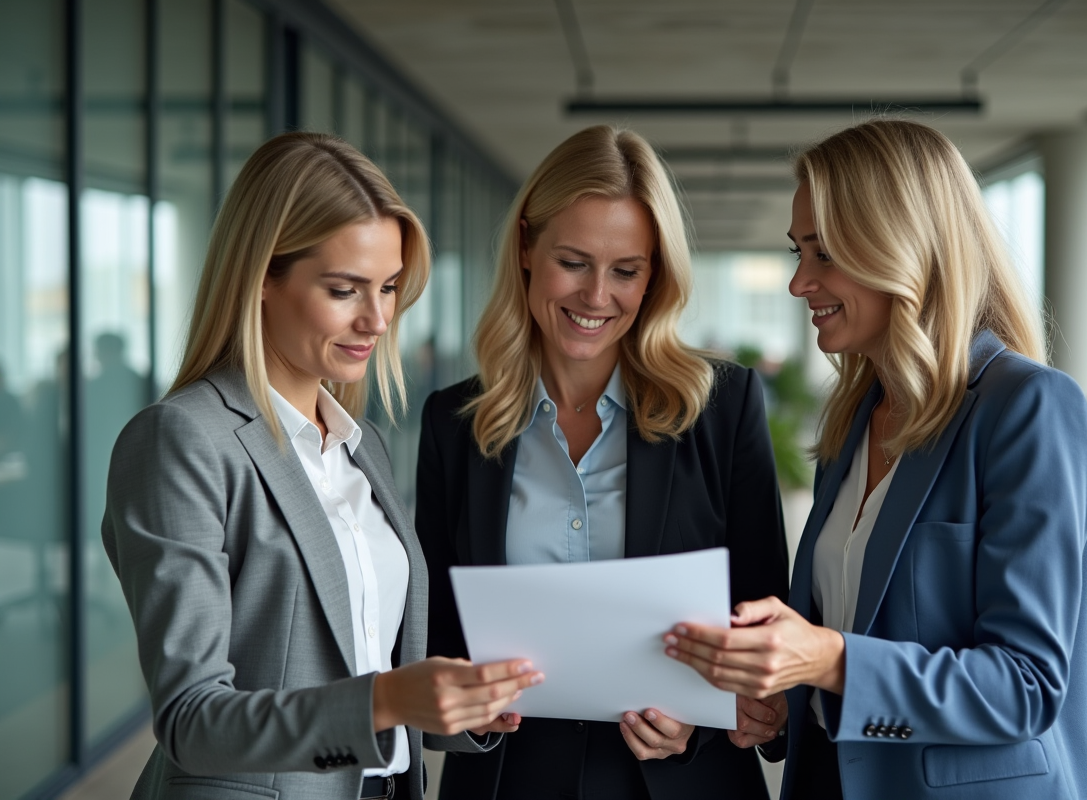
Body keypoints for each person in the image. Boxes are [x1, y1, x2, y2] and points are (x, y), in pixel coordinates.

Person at [101, 132, 541, 800]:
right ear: (261, 279)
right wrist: (388, 699)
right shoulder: (183, 440)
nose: (378, 320)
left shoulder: (363, 445)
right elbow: (192, 719)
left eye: (388, 288)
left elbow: (365, 657)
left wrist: (455, 707)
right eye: (344, 290)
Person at [666, 120, 1087, 799]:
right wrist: (787, 702)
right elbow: (851, 645)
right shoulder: (853, 421)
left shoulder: (1027, 406)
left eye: (824, 253)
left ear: (902, 246)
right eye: (798, 252)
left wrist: (827, 658)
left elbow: (1026, 687)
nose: (799, 282)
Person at [415, 125, 790, 800]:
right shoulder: (455, 422)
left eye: (626, 271)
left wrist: (701, 725)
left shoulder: (722, 408)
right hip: (509, 779)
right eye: (573, 261)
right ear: (526, 246)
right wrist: (467, 716)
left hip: (682, 780)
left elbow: (763, 617)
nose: (596, 297)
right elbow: (437, 628)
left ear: (654, 277)